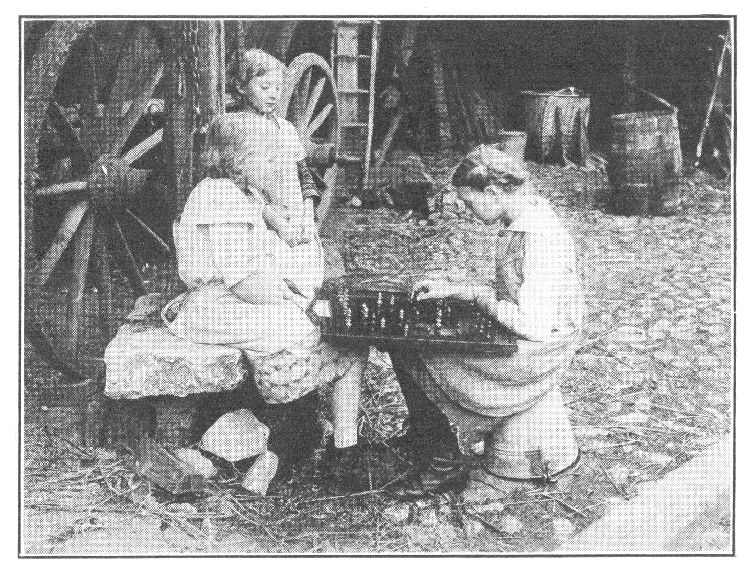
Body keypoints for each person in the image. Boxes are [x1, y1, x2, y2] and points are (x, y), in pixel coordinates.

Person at [164, 103, 367, 490]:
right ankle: (283, 441)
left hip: (235, 299)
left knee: (337, 331)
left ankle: (341, 450)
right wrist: (300, 302)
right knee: (309, 330)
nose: (276, 165)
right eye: (267, 157)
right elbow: (245, 283)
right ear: (240, 160)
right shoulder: (219, 196)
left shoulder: (243, 192)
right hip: (212, 307)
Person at [387, 145, 584, 502]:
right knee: (415, 332)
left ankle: (442, 460)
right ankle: (429, 439)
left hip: (537, 349)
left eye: (470, 202)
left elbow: (533, 323)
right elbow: (516, 291)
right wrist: (457, 288)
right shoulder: (522, 220)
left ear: (493, 192)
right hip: (530, 335)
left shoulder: (539, 237)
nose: (468, 211)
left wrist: (477, 297)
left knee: (409, 347)